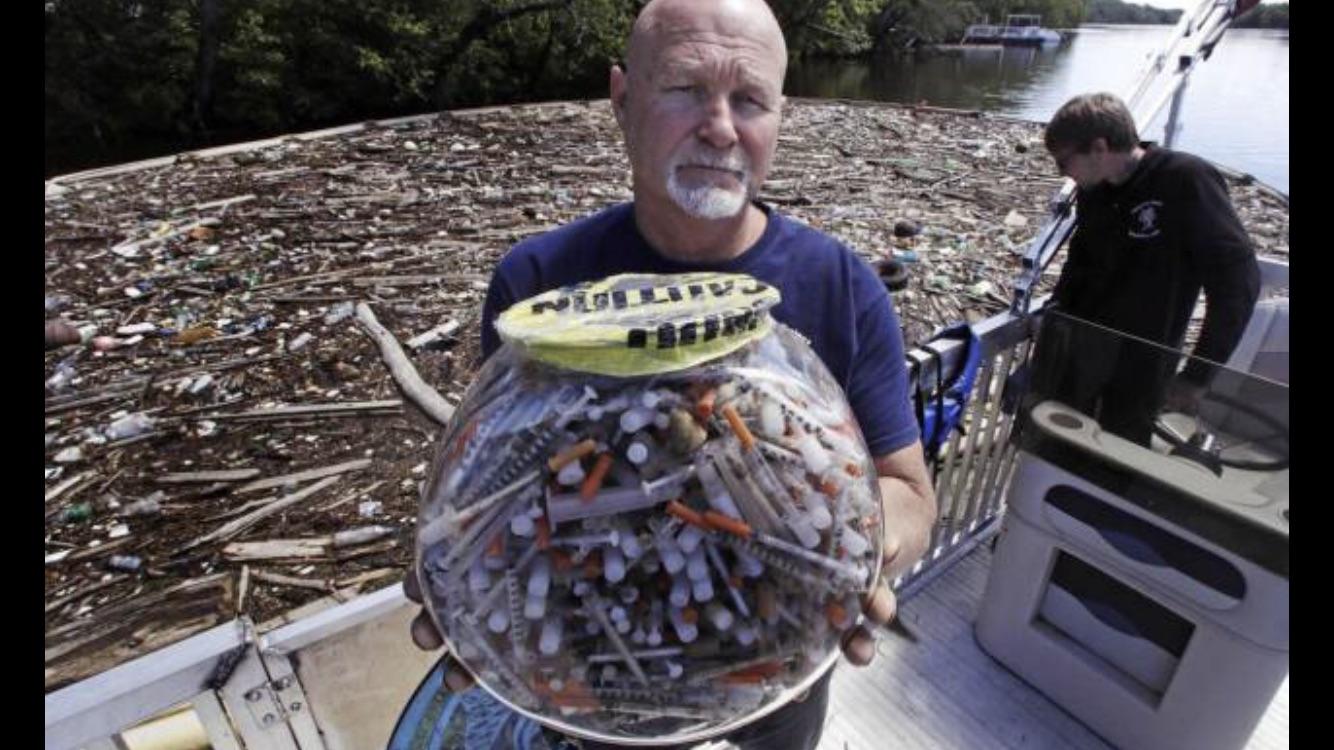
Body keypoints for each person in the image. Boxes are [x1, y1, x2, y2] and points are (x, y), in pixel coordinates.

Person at [402, 1, 938, 747]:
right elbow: (493, 477)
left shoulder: (843, 284)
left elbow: (909, 491)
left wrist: (852, 550)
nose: (720, 127)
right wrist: (461, 565)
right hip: (589, 689)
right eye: (686, 90)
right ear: (622, 99)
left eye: (749, 99)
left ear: (780, 115)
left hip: (773, 677)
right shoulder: (538, 281)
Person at [1039, 92, 1259, 444]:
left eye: (1064, 163)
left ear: (1099, 148)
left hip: (1142, 365)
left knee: (1119, 456)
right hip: (1081, 355)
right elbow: (1080, 265)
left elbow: (1237, 283)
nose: (1062, 173)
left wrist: (1198, 375)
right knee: (1060, 446)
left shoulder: (1186, 180)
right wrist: (1053, 324)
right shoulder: (1094, 191)